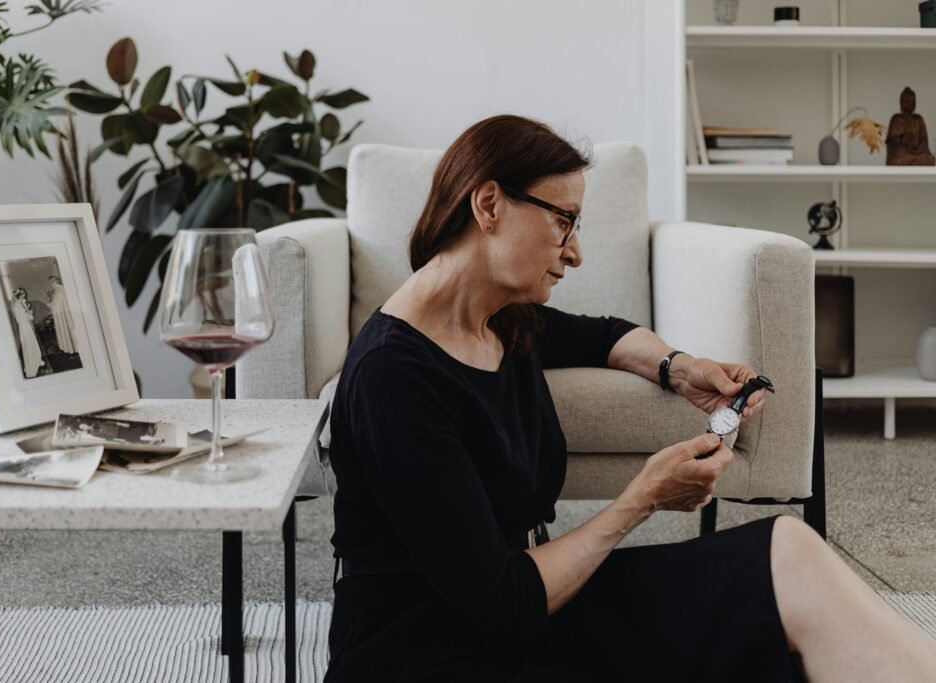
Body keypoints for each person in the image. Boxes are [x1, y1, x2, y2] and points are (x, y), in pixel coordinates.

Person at [324, 115, 936, 682]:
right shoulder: (394, 378)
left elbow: (606, 336)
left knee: (787, 552)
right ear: (488, 205)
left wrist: (681, 367)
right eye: (562, 220)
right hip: (432, 649)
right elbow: (500, 605)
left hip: (535, 603)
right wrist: (641, 499)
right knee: (760, 620)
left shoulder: (501, 321)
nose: (575, 251)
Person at [11, 288, 45, 379]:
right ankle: (32, 365)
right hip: (24, 326)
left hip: (25, 326)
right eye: (23, 294)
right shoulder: (18, 306)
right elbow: (22, 318)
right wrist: (30, 314)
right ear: (21, 295)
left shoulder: (19, 304)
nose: (24, 295)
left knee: (32, 343)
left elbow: (25, 315)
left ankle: (37, 360)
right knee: (29, 344)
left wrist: (28, 313)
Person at [46, 275, 77, 354]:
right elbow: (55, 303)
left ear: (54, 282)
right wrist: (50, 298)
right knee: (66, 331)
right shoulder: (59, 290)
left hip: (62, 316)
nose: (50, 285)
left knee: (66, 331)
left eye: (51, 283)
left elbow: (55, 306)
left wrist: (48, 304)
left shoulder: (59, 291)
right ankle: (71, 350)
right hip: (63, 315)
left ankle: (73, 351)